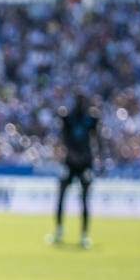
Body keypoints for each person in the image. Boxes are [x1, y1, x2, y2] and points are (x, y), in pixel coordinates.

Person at [46, 93, 102, 248]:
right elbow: (64, 138)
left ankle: (84, 234)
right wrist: (71, 154)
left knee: (84, 198)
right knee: (61, 194)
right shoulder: (68, 117)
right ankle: (58, 230)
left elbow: (98, 140)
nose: (80, 104)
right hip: (70, 162)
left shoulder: (91, 118)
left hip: (85, 163)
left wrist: (100, 162)